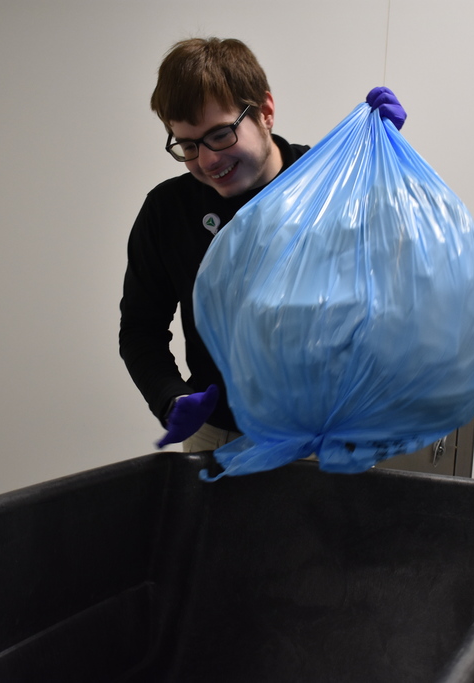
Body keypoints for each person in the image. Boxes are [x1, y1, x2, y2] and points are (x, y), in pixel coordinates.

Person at [119, 37, 405, 453]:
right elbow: (140, 330)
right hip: (215, 438)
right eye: (187, 144)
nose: (207, 160)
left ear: (265, 111)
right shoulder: (168, 210)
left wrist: (388, 170)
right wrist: (170, 396)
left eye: (220, 134)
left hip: (327, 439)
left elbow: (400, 286)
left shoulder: (334, 185)